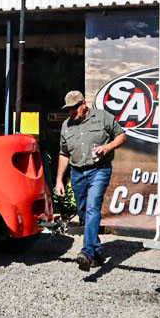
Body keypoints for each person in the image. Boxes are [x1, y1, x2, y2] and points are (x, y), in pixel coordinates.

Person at [54, 90, 126, 271]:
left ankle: (86, 252)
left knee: (93, 208)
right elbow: (64, 154)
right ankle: (97, 251)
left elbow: (121, 135)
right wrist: (59, 180)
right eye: (68, 109)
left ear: (83, 104)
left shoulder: (102, 117)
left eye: (74, 108)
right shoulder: (66, 125)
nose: (71, 112)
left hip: (98, 170)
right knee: (84, 213)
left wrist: (107, 148)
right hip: (77, 173)